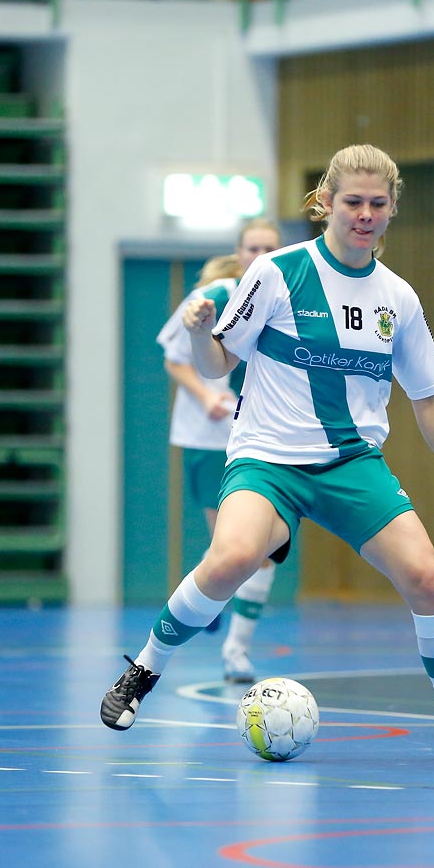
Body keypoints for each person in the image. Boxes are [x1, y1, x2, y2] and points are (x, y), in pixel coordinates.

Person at [101, 143, 434, 763]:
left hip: (352, 465)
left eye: (378, 203)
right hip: (268, 460)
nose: (365, 214)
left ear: (393, 208)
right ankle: (143, 671)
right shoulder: (276, 273)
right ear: (325, 204)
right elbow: (218, 365)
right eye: (353, 202)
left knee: (428, 579)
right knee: (232, 556)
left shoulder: (398, 299)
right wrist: (196, 334)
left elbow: (430, 398)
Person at [155, 219, 283, 684]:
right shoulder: (212, 296)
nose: (261, 255)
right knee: (230, 551)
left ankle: (236, 651)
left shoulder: (289, 298)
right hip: (209, 440)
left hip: (265, 442)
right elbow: (173, 357)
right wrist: (207, 395)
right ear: (239, 250)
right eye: (254, 247)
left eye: (271, 247)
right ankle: (210, 596)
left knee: (262, 551)